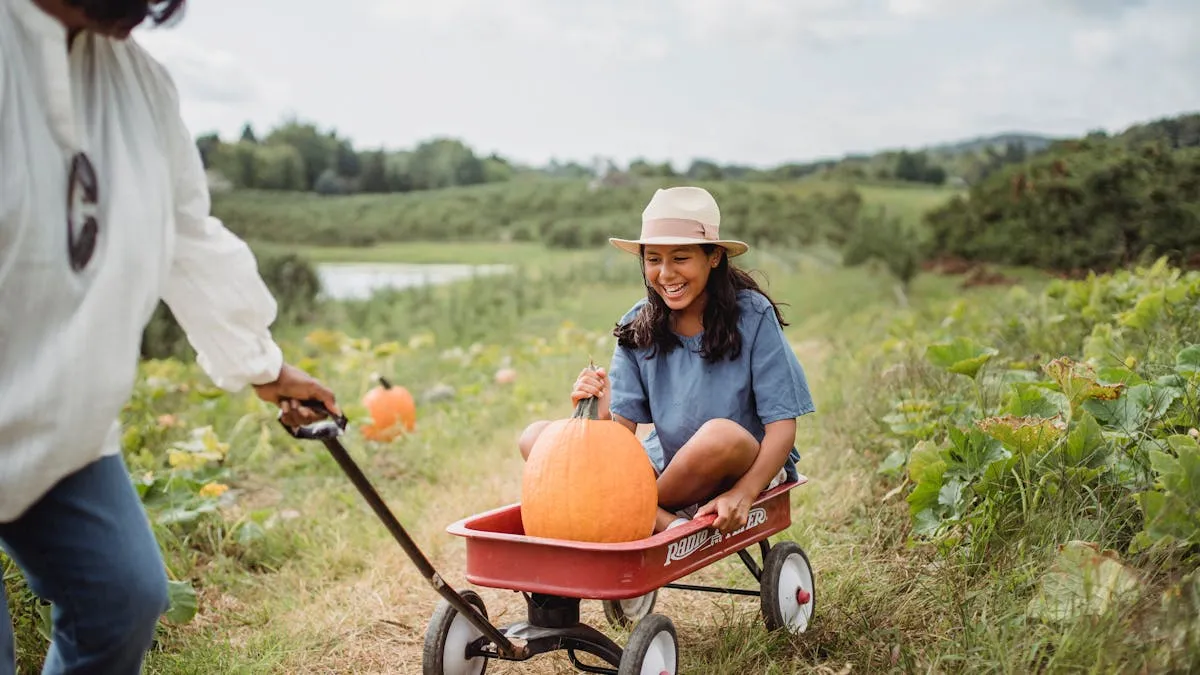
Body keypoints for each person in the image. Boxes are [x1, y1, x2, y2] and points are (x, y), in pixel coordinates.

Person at [0, 1, 341, 673]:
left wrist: (262, 363)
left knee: (123, 596)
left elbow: (189, 233)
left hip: (65, 425)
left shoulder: (140, 85)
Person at [518, 186, 815, 536]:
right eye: (653, 259)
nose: (666, 274)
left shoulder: (752, 315)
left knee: (719, 435)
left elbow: (782, 428)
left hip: (744, 464)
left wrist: (743, 493)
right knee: (536, 437)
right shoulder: (637, 326)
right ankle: (657, 519)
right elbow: (619, 439)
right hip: (670, 468)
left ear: (714, 256)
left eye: (681, 258)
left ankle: (628, 513)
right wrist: (596, 417)